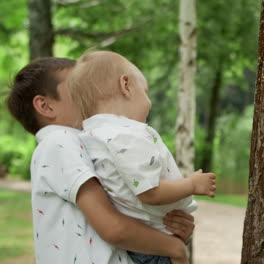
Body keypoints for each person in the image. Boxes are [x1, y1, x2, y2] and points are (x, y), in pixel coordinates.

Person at [7, 57, 194, 264]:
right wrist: (175, 248)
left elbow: (127, 213)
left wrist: (170, 229)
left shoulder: (88, 144)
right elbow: (113, 228)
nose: (91, 93)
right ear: (46, 106)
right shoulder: (59, 141)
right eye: (79, 87)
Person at [66, 50, 217, 264]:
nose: (148, 101)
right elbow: (149, 192)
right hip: (153, 247)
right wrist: (191, 185)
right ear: (126, 85)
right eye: (145, 91)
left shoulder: (90, 136)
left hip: (137, 243)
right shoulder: (127, 135)